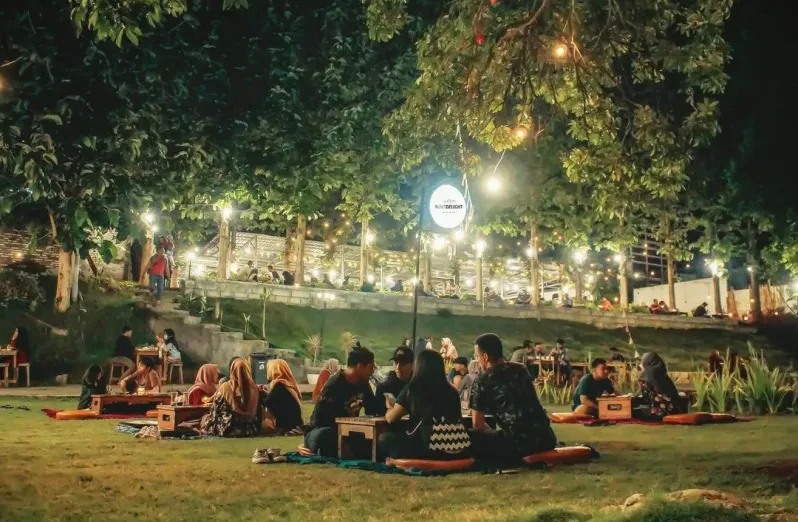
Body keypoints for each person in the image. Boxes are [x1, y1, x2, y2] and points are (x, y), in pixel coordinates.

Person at [468, 333, 557, 465]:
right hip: (547, 439)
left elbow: (478, 427)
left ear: (485, 356)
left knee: (470, 435)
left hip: (519, 445)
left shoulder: (482, 380)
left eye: (477, 356)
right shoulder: (521, 369)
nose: (477, 359)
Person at [379, 350, 472, 461]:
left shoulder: (413, 389)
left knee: (384, 438)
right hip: (456, 448)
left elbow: (391, 418)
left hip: (427, 449)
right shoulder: (452, 391)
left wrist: (390, 407)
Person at [304, 347, 378, 457]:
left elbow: (373, 409)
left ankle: (343, 449)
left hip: (348, 431)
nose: (372, 371)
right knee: (327, 436)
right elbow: (318, 420)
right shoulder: (334, 384)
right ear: (359, 366)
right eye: (371, 367)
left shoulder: (363, 383)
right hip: (322, 430)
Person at [633, 352, 686, 421]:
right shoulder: (662, 373)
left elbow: (645, 397)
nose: (640, 364)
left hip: (661, 412)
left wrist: (633, 396)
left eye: (642, 361)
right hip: (676, 409)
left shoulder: (645, 375)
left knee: (634, 412)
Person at [264, 360, 304, 434]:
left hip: (287, 425)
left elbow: (267, 402)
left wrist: (260, 392)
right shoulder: (288, 384)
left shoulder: (279, 385)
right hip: (295, 422)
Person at [374, 347, 414, 415]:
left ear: (412, 365)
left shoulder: (418, 386)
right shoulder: (383, 388)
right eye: (396, 363)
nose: (398, 367)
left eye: (403, 363)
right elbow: (377, 416)